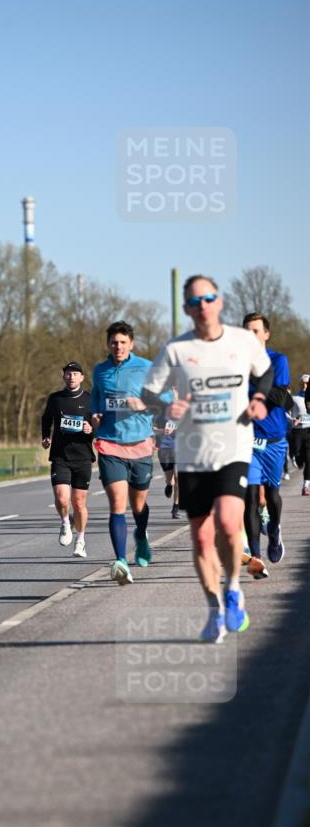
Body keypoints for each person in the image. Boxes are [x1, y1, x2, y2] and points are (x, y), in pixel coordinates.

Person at [141, 275, 273, 643]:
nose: (203, 305)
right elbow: (148, 392)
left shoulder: (242, 341)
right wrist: (166, 407)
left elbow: (265, 373)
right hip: (192, 453)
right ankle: (214, 608)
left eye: (209, 298)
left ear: (220, 302)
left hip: (233, 447)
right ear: (187, 308)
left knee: (229, 524)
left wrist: (258, 398)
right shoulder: (177, 349)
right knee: (201, 539)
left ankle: (233, 590)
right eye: (195, 301)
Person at [90, 322, 168, 584]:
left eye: (123, 342)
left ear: (131, 344)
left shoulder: (147, 367)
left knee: (138, 505)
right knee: (117, 504)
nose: (118, 346)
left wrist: (144, 403)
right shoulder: (100, 370)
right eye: (114, 342)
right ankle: (121, 561)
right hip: (110, 444)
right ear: (108, 344)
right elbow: (96, 398)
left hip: (140, 444)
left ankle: (142, 536)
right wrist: (95, 414)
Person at [241, 313, 290, 578]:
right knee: (249, 497)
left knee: (272, 496)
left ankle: (274, 529)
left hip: (274, 440)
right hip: (247, 440)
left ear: (266, 334)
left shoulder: (278, 360)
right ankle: (256, 558)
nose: (250, 336)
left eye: (255, 331)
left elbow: (280, 397)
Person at [41, 362, 94, 558]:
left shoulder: (90, 399)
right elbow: (46, 419)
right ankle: (65, 523)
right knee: (62, 498)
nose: (71, 377)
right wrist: (45, 436)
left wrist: (91, 429)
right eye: (68, 374)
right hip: (60, 456)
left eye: (75, 374)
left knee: (79, 503)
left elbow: (99, 423)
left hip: (83, 457)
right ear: (63, 377)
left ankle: (81, 540)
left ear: (82, 377)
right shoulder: (55, 399)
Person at [290, 382, 310, 495]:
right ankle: (296, 457)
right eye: (303, 383)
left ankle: (306, 485)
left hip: (309, 431)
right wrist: (292, 419)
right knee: (298, 458)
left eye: (307, 383)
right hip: (297, 431)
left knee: (309, 458)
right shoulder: (294, 398)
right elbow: (284, 412)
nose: (305, 386)